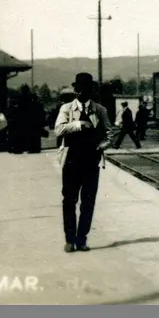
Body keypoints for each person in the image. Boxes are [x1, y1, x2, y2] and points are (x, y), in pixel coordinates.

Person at [54, 73, 111, 252]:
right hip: (71, 161)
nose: (81, 93)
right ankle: (70, 239)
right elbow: (58, 129)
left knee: (88, 202)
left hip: (90, 162)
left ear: (91, 91)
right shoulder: (66, 109)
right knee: (69, 201)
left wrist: (101, 146)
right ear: (75, 90)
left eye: (86, 90)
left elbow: (110, 134)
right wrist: (79, 124)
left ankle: (82, 239)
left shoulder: (100, 110)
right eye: (79, 90)